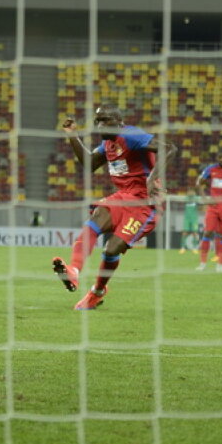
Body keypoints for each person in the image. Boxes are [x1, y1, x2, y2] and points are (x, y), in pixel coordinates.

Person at [51, 106, 166, 310]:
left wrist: (152, 178)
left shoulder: (131, 135)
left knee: (111, 249)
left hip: (145, 203)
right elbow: (89, 164)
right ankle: (74, 270)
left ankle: (97, 292)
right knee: (96, 218)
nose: (100, 125)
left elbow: (169, 148)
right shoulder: (108, 144)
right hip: (123, 196)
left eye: (105, 120)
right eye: (98, 121)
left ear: (119, 121)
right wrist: (73, 135)